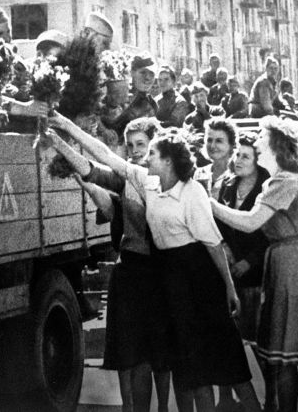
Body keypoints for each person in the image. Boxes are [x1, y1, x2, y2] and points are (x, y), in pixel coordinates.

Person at [50, 113, 260, 412]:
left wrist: (229, 287)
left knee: (223, 362)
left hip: (198, 275)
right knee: (187, 368)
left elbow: (213, 245)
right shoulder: (146, 180)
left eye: (151, 153)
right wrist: (61, 130)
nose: (144, 157)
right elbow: (104, 155)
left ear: (168, 161)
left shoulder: (192, 192)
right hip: (171, 276)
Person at [211, 116, 298, 412]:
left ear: (276, 147)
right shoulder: (279, 180)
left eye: (263, 139)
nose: (258, 142)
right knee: (287, 356)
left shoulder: (284, 180)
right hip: (287, 263)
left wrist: (208, 204)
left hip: (293, 266)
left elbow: (250, 222)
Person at [42, 117, 175, 412]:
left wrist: (65, 127)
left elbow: (102, 154)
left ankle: (163, 408)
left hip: (161, 274)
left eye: (142, 145)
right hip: (130, 273)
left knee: (160, 352)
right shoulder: (127, 179)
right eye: (131, 145)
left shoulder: (167, 180)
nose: (136, 151)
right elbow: (91, 171)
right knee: (131, 354)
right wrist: (60, 144)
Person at [214, 132, 272, 412]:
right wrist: (225, 250)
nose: (238, 160)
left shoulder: (267, 186)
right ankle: (226, 398)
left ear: (258, 161)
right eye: (237, 154)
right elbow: (218, 224)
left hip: (256, 274)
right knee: (227, 339)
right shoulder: (227, 184)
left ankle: (272, 398)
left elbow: (270, 232)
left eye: (245, 156)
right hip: (230, 273)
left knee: (260, 341)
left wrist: (249, 261)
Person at [110, 55, 158, 137]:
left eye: (152, 74)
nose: (147, 78)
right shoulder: (118, 96)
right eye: (143, 72)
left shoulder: (151, 103)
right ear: (132, 72)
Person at [194, 118, 237, 198]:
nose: (212, 146)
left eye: (219, 141)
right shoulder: (200, 173)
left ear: (232, 144)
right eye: (209, 140)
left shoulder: (238, 175)